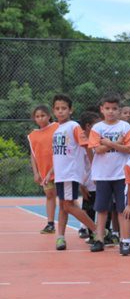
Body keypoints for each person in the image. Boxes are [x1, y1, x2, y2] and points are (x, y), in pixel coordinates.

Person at [50, 95, 98, 250]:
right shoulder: (57, 129)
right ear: (53, 111)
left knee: (68, 205)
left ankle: (98, 230)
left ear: (71, 110)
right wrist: (50, 172)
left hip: (70, 173)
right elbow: (57, 155)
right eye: (57, 109)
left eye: (64, 108)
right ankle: (61, 238)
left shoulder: (73, 127)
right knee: (64, 206)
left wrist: (94, 167)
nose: (60, 111)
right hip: (60, 174)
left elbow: (87, 146)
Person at [87, 94, 130, 252]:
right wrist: (116, 143)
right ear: (102, 109)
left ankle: (124, 240)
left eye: (114, 108)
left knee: (122, 209)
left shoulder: (125, 127)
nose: (111, 111)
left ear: (119, 110)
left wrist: (109, 142)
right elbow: (97, 150)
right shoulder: (97, 128)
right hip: (102, 174)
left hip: (121, 174)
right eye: (107, 108)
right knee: (101, 209)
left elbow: (129, 148)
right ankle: (99, 239)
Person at [27, 105, 58, 234]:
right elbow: (33, 155)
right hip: (45, 172)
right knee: (50, 195)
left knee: (68, 200)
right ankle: (50, 224)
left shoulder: (57, 127)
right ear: (34, 118)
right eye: (37, 116)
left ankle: (85, 226)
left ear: (49, 116)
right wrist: (36, 173)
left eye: (43, 115)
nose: (40, 118)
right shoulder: (32, 136)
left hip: (60, 168)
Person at [77, 110, 102, 241]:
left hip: (100, 180)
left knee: (102, 207)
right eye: (97, 124)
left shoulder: (98, 141)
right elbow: (79, 165)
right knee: (89, 208)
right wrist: (81, 184)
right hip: (89, 182)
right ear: (88, 126)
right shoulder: (82, 145)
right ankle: (90, 231)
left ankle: (103, 232)